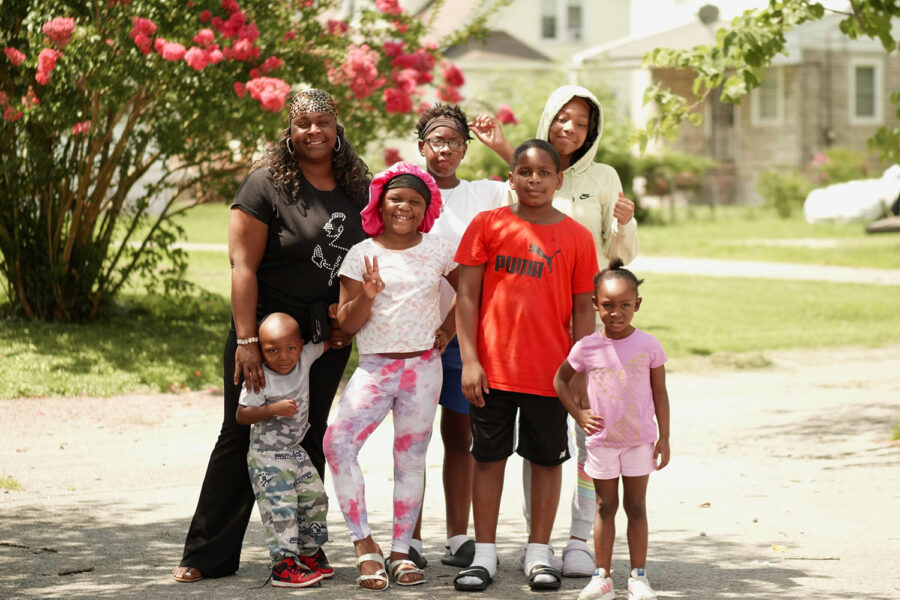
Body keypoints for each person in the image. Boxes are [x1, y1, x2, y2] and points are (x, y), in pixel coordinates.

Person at [172, 89, 370, 583]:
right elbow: (242, 264)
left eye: (323, 121)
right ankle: (206, 555)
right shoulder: (266, 184)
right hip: (264, 334)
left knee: (307, 433)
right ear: (291, 128)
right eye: (304, 122)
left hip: (323, 338)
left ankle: (304, 550)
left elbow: (366, 258)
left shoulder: (357, 185)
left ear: (336, 124)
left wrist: (344, 320)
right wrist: (245, 341)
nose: (314, 131)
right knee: (240, 433)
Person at [472, 84, 638, 576]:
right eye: (563, 117)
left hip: (594, 325)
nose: (570, 127)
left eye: (582, 122)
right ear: (549, 118)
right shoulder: (526, 178)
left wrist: (626, 223)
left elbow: (620, 256)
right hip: (527, 336)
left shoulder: (605, 177)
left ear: (592, 131)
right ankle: (536, 543)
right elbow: (513, 232)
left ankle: (579, 539)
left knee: (594, 436)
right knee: (540, 439)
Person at [452, 140, 598, 592]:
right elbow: (467, 297)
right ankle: (485, 553)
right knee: (488, 457)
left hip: (551, 376)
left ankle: (539, 551)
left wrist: (579, 374)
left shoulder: (577, 237)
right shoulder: (487, 224)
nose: (534, 180)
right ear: (510, 177)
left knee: (546, 460)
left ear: (558, 179)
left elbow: (583, 313)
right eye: (524, 172)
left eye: (543, 172)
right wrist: (471, 361)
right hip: (493, 371)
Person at [323, 162, 459, 590]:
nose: (405, 206)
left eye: (415, 201)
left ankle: (402, 552)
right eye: (396, 198)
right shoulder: (361, 254)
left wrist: (448, 329)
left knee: (411, 459)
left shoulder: (438, 250)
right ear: (381, 202)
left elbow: (473, 291)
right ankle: (365, 546)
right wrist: (367, 295)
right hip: (377, 367)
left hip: (422, 368)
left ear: (426, 209)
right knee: (337, 442)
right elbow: (346, 322)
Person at [408, 104, 509, 570]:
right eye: (436, 140)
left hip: (464, 333)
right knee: (412, 437)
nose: (444, 149)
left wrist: (504, 148)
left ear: (466, 148)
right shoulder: (405, 188)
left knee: (459, 433)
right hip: (412, 330)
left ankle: (456, 536)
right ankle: (406, 536)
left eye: (454, 141)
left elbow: (540, 181)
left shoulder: (484, 194)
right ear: (422, 145)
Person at [553, 259, 670, 600]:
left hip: (639, 442)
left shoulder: (649, 345)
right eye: (607, 306)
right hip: (602, 441)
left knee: (636, 506)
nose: (616, 313)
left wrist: (664, 436)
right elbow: (561, 380)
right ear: (594, 304)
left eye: (624, 306)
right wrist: (578, 413)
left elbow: (660, 393)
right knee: (605, 506)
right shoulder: (587, 346)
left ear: (637, 305)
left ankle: (638, 577)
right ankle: (602, 577)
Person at [235, 313, 331, 588]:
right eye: (272, 350)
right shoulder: (259, 376)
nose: (284, 356)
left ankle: (309, 553)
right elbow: (242, 416)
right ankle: (283, 564)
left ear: (300, 345)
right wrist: (272, 409)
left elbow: (335, 341)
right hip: (266, 455)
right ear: (260, 351)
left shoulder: (304, 359)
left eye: (290, 348)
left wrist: (341, 316)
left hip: (294, 450)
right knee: (282, 507)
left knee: (316, 498)